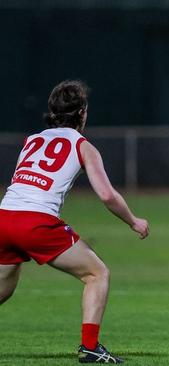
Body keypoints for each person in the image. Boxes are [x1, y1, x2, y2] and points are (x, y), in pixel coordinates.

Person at [0, 80, 149, 363]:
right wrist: (133, 221)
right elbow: (106, 195)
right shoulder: (84, 147)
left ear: (52, 111)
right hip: (36, 223)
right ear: (82, 113)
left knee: (4, 286)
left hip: (4, 217)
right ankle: (90, 347)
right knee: (97, 274)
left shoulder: (31, 140)